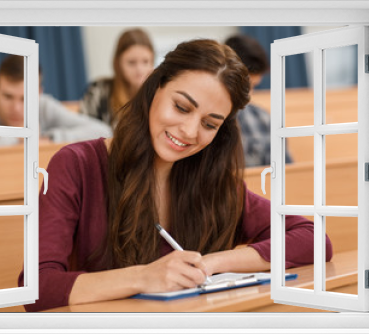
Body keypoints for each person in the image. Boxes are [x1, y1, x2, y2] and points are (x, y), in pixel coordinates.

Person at [19, 39, 332, 312]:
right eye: (182, 107)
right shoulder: (76, 165)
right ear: (155, 88)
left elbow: (314, 240)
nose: (190, 132)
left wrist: (210, 264)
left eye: (210, 124)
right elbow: (37, 287)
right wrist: (145, 277)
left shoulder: (213, 182)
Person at [0, 55, 112, 149]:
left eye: (25, 98)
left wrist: (49, 138)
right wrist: (19, 138)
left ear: (39, 93)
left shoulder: (44, 106)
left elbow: (103, 131)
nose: (16, 108)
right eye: (8, 96)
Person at [225, 34, 293, 167]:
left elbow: (287, 173)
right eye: (243, 87)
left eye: (253, 86)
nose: (248, 96)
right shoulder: (201, 124)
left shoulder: (263, 119)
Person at [78, 28, 154, 127]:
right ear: (118, 63)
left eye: (145, 62)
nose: (140, 70)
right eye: (131, 62)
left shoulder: (157, 93)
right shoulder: (99, 90)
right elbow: (84, 129)